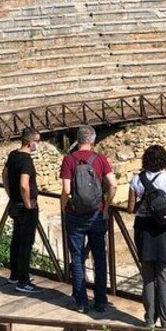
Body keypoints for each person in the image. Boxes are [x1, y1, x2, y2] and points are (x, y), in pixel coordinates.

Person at [127, 145, 166, 330]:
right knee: (163, 276)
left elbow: (131, 209)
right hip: (163, 231)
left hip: (143, 230)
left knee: (148, 277)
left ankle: (149, 320)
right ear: (164, 160)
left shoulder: (136, 180)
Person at [60, 125, 117, 313]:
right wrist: (106, 207)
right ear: (92, 141)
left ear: (78, 140)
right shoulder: (100, 159)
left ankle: (81, 302)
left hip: (74, 215)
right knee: (100, 257)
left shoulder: (68, 159)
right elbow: (113, 184)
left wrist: (64, 206)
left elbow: (67, 190)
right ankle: (100, 300)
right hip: (97, 213)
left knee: (77, 257)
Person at [2, 127, 42, 294]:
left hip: (15, 204)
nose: (37, 145)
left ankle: (15, 274)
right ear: (29, 142)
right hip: (26, 206)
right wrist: (28, 205)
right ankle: (23, 281)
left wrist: (11, 195)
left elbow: (4, 174)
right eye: (36, 141)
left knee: (16, 239)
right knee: (26, 243)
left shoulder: (13, 155)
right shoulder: (26, 160)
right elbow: (24, 185)